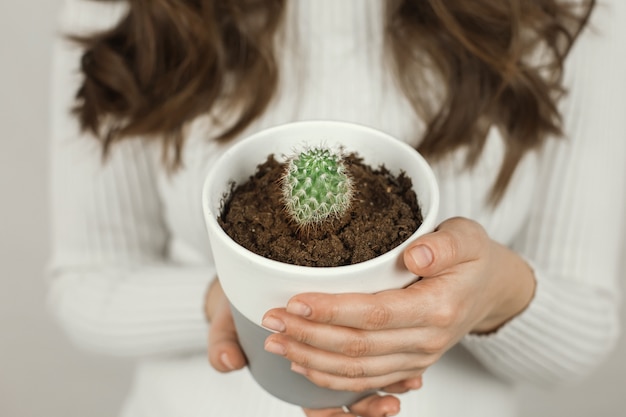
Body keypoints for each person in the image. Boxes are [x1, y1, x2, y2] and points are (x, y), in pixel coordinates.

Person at [48, 1, 625, 416]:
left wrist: (492, 294)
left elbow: (587, 332)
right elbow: (85, 283)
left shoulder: (568, 14)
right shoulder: (120, 11)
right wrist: (225, 296)